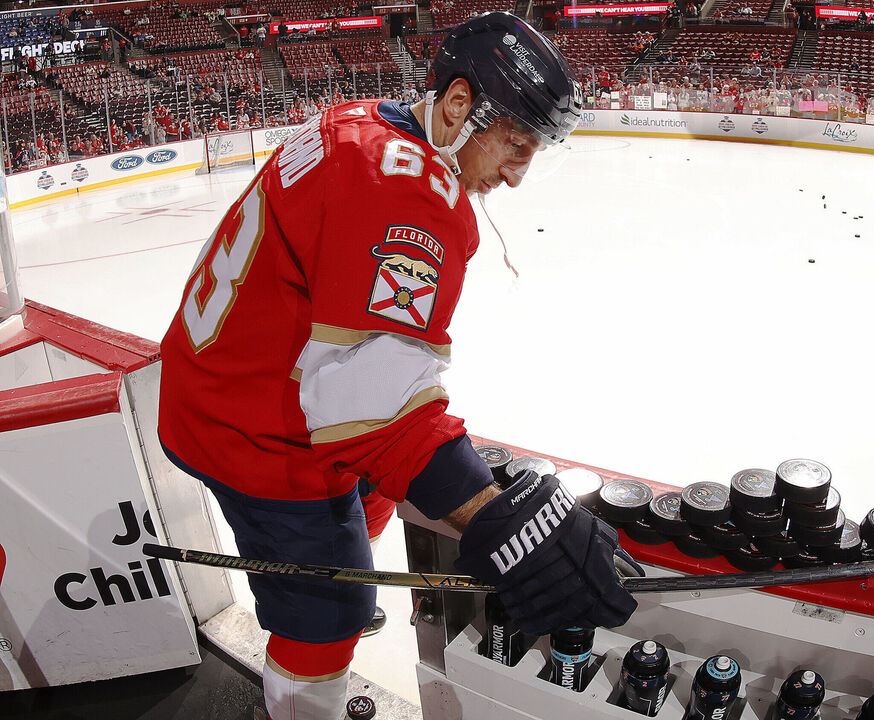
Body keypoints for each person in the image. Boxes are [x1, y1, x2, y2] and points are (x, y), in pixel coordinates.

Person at [157, 12, 638, 720]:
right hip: (255, 430)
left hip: (216, 377)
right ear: (458, 105)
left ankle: (343, 578)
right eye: (515, 145)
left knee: (375, 496)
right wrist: (503, 524)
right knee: (328, 610)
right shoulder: (409, 197)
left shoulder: (360, 123)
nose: (516, 176)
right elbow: (370, 413)